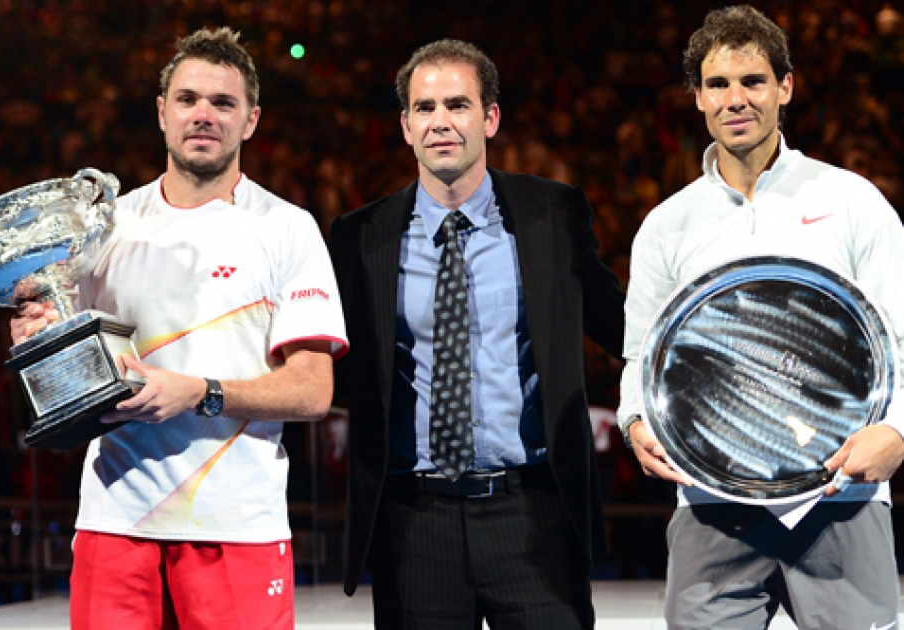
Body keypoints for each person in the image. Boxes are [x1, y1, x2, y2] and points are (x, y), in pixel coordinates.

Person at [11, 28, 348, 630]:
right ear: (162, 112)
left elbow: (313, 390)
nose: (204, 115)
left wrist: (200, 392)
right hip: (114, 521)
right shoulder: (104, 229)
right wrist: (39, 343)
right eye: (188, 99)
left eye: (223, 103)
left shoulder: (287, 228)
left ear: (251, 120)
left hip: (237, 525)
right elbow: (70, 386)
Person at [617, 6, 904, 629]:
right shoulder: (667, 225)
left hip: (840, 495)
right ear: (697, 97)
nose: (735, 99)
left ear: (785, 87)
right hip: (713, 501)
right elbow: (643, 355)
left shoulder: (852, 201)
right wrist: (636, 419)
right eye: (717, 85)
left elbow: (900, 338)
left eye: (752, 81)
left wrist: (898, 431)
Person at [328, 39, 625, 630]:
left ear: (489, 117)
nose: (441, 121)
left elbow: (624, 329)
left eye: (458, 105)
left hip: (535, 513)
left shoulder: (554, 216)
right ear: (406, 126)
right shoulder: (361, 237)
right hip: (414, 522)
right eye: (425, 107)